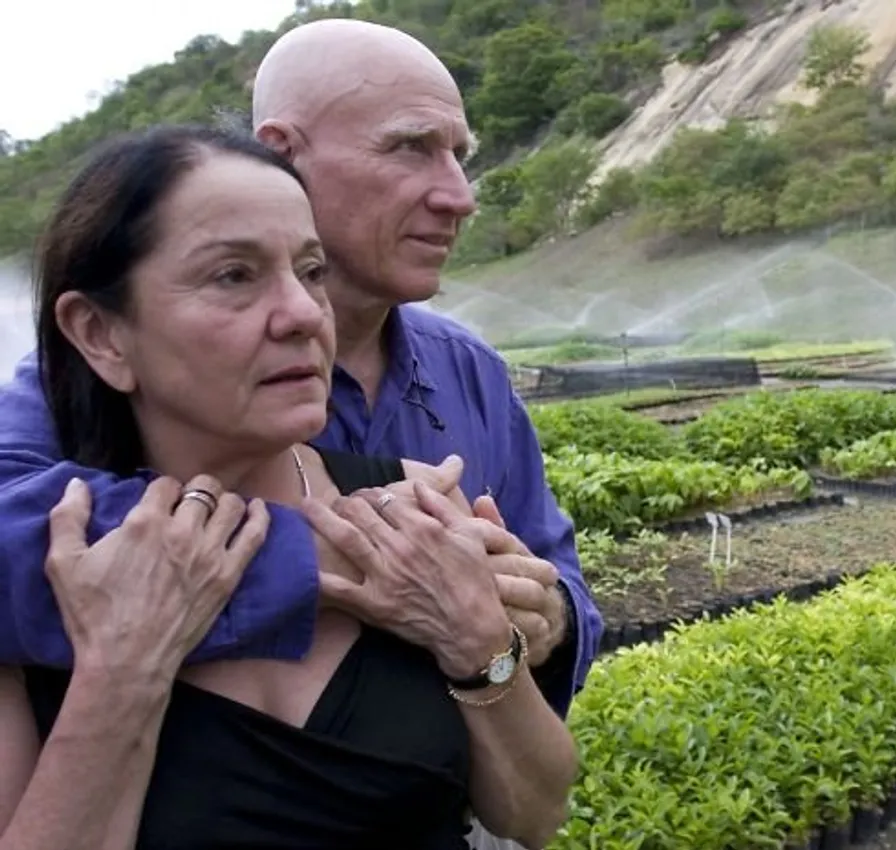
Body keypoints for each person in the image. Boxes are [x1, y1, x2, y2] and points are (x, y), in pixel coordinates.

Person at [0, 18, 601, 720]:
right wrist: (343, 554)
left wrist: (547, 615)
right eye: (410, 147)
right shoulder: (116, 367)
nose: (459, 195)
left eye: (459, 155)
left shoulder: (471, 372)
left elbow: (562, 583)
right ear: (280, 154)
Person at [0, 123, 577, 849]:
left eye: (311, 272)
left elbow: (535, 812)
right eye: (233, 276)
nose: (305, 314)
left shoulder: (416, 509)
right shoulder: (47, 581)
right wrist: (124, 677)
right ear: (101, 334)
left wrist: (482, 645)